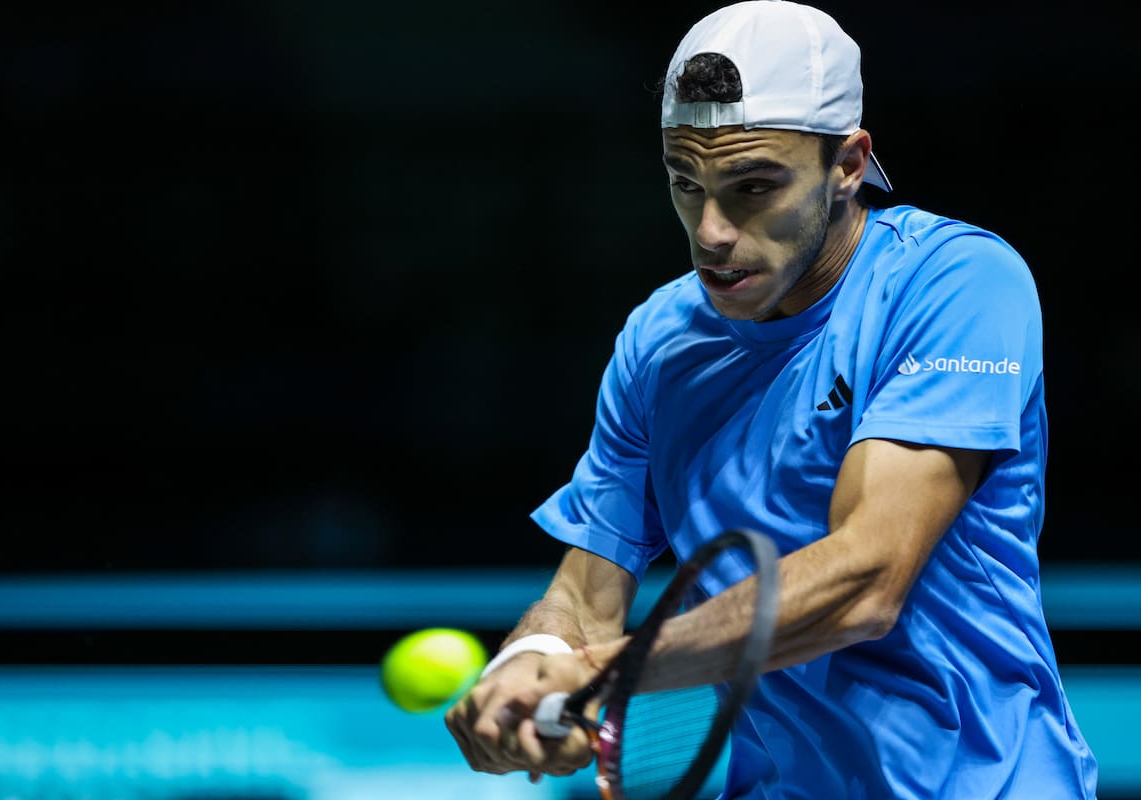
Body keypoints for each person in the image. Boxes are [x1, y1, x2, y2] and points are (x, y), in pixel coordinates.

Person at [444, 0, 1099, 797]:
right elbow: (584, 597)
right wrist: (531, 664)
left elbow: (864, 581)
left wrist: (607, 672)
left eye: (753, 186)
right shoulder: (659, 343)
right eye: (686, 184)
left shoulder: (955, 282)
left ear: (849, 164)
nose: (711, 232)